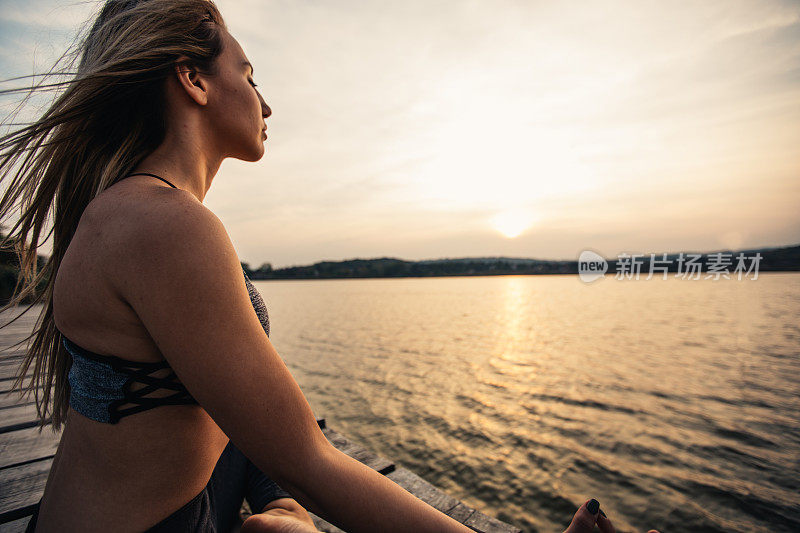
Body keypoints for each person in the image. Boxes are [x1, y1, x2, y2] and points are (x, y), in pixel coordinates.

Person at [0, 1, 660, 532]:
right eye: (251, 74)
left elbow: (236, 422)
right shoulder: (162, 224)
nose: (265, 101)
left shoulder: (137, 213)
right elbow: (312, 464)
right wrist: (295, 498)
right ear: (193, 78)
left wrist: (280, 502)